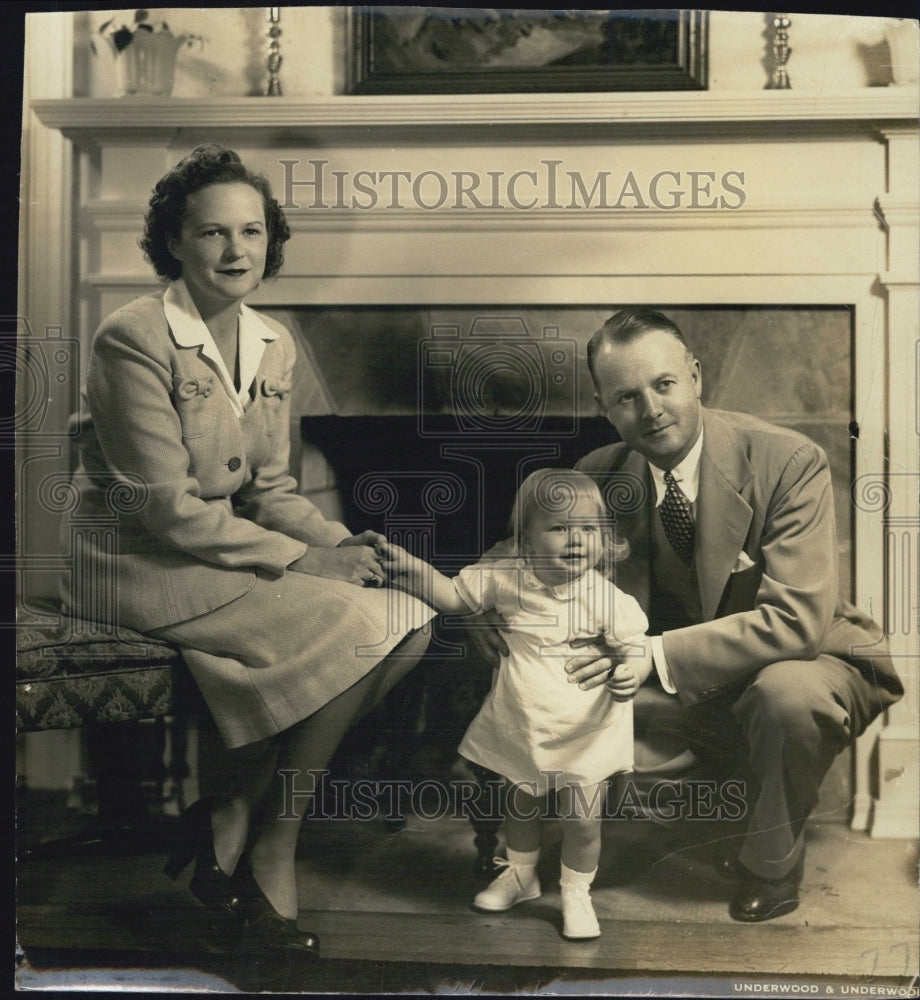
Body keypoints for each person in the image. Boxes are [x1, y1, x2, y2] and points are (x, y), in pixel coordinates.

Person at [59, 145, 434, 955]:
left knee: (410, 617)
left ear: (271, 241)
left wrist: (348, 544)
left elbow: (269, 489)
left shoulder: (273, 341)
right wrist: (308, 565)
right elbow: (168, 513)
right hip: (133, 561)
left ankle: (238, 815)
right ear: (174, 244)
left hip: (212, 548)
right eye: (212, 234)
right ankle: (266, 841)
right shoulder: (130, 338)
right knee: (351, 626)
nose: (236, 252)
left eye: (252, 232)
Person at [547, 306, 902, 922]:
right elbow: (528, 557)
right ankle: (541, 845)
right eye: (627, 397)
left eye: (664, 385)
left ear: (696, 377)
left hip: (810, 657)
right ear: (605, 407)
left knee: (786, 696)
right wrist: (448, 591)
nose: (651, 410)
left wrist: (653, 656)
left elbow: (796, 621)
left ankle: (772, 859)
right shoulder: (596, 478)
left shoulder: (787, 459)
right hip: (686, 673)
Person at [384, 468, 651, 940]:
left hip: (587, 727)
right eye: (559, 528)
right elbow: (450, 595)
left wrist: (631, 668)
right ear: (525, 540)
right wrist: (410, 568)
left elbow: (635, 644)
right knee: (521, 806)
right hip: (524, 719)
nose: (576, 540)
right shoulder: (504, 577)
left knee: (583, 819)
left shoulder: (605, 596)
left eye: (589, 529)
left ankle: (575, 891)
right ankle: (521, 875)